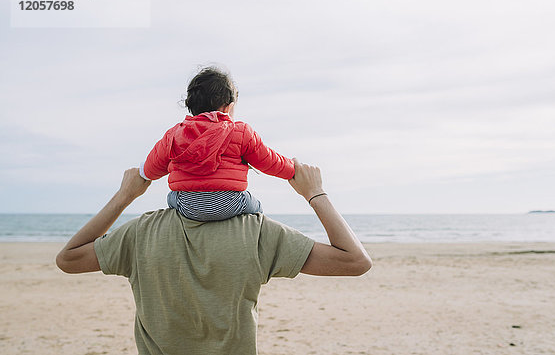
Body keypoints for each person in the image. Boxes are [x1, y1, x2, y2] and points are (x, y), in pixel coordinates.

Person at [56, 159, 372, 355]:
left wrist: (124, 196)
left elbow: (69, 259)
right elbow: (355, 261)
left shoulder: (141, 232)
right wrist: (315, 193)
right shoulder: (259, 232)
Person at [140, 66, 294, 221]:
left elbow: (150, 169)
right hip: (230, 204)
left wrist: (141, 172)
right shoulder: (240, 132)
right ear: (228, 107)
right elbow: (269, 161)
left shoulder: (173, 135)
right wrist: (292, 167)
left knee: (172, 197)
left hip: (187, 206)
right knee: (257, 206)